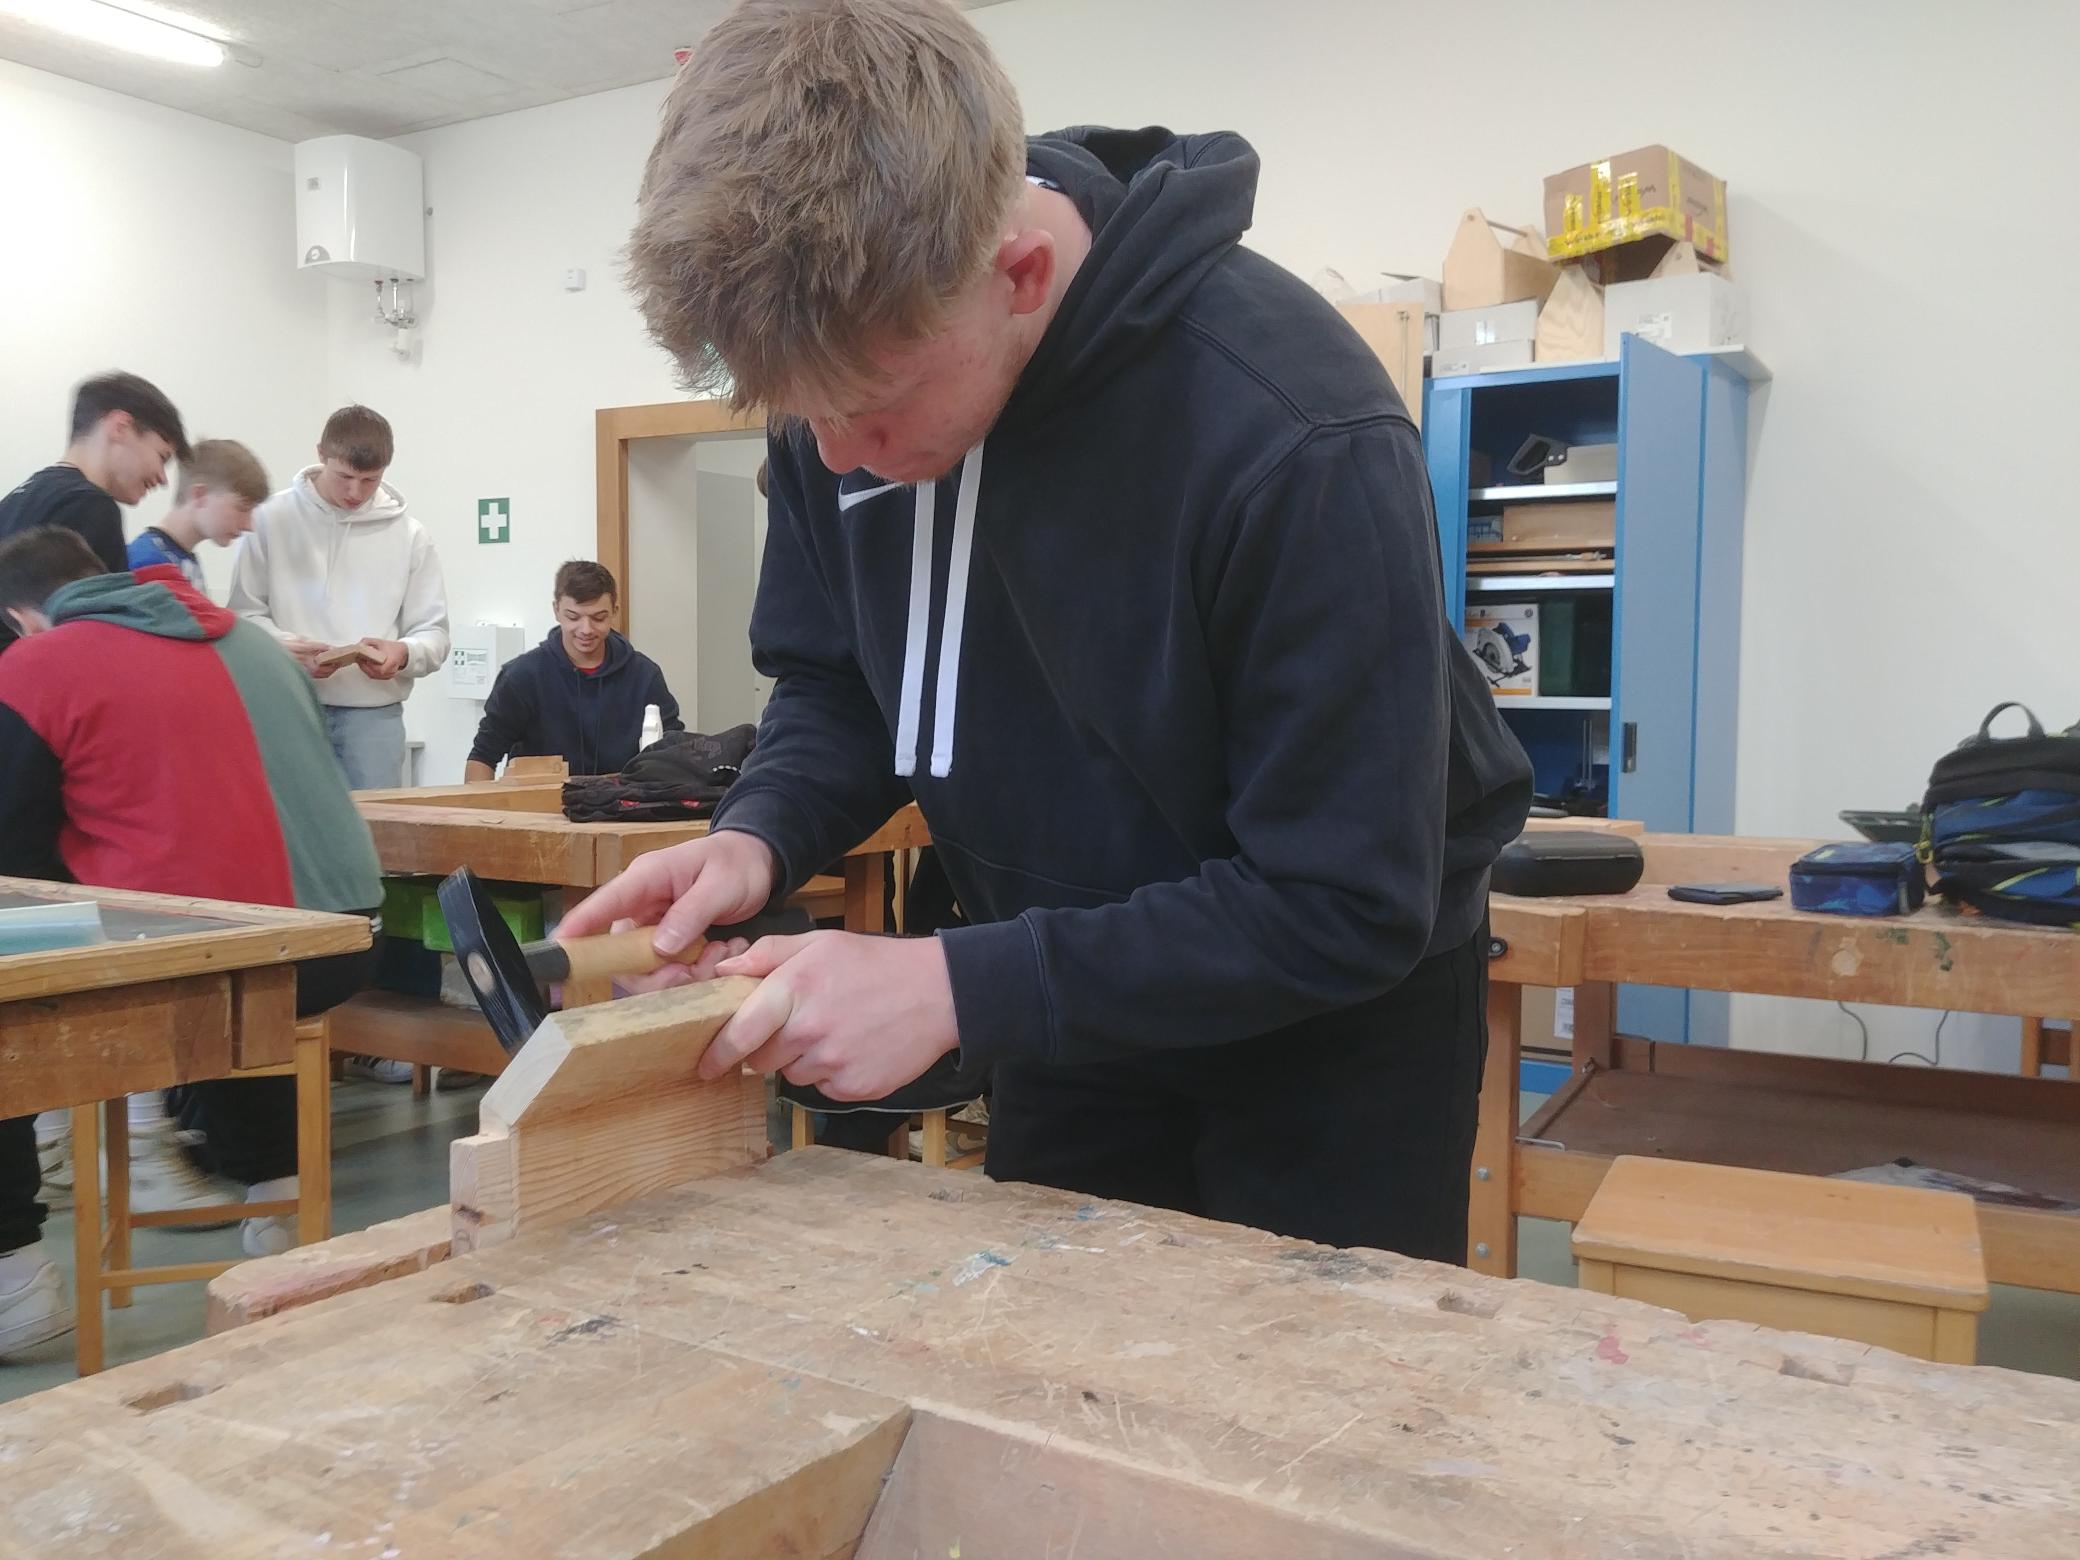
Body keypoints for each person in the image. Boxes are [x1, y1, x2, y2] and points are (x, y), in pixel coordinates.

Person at [562, 0, 1532, 1263]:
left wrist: (955, 985)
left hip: (1327, 1035)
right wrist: (759, 835)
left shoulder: (1294, 431)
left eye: (867, 408)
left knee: (1304, 1383)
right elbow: (842, 683)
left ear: (1017, 277)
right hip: (1063, 1002)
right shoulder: (850, 381)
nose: (838, 458)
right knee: (1056, 1354)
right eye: (802, 417)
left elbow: (1339, 900)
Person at [0, 528, 383, 1360]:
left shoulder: (37, 663)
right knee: (233, 940)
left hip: (230, 959)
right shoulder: (256, 641)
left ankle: (15, 1276)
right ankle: (277, 1200)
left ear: (23, 616)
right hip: (347, 937)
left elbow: (12, 858)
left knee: (77, 974)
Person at [228, 405, 450, 791]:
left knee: (375, 828)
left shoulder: (411, 535)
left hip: (374, 718)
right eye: (344, 477)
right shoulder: (269, 519)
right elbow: (242, 616)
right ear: (321, 454)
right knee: (290, 826)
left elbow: (434, 634)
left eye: (370, 480)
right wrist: (285, 648)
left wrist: (403, 653)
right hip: (287, 706)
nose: (355, 492)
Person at [0, 371, 188, 652]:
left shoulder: (20, 496)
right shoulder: (91, 506)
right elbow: (93, 644)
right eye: (162, 457)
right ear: (120, 427)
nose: (162, 478)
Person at [464, 559, 683, 781]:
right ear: (556, 610)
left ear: (614, 611)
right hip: (542, 800)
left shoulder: (644, 675)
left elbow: (674, 752)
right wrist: (482, 803)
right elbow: (483, 757)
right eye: (573, 617)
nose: (586, 629)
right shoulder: (522, 677)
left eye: (598, 618)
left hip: (622, 800)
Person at [126, 438, 270, 591]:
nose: (249, 525)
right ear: (200, 495)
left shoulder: (186, 561)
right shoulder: (147, 561)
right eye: (242, 508)